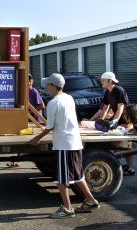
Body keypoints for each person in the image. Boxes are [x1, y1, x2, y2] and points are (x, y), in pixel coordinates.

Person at [29, 73, 99, 219]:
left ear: (54, 86)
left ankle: (67, 209)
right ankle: (91, 200)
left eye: (48, 84)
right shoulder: (69, 98)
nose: (46, 87)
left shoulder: (54, 103)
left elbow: (49, 126)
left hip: (64, 144)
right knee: (79, 175)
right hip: (75, 142)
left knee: (61, 179)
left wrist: (36, 139)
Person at [89, 72, 137, 175]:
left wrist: (115, 121)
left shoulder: (119, 90)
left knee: (125, 144)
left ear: (110, 81)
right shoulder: (108, 92)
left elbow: (121, 108)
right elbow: (104, 108)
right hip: (117, 121)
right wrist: (98, 120)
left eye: (103, 80)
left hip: (125, 120)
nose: (101, 81)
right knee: (122, 145)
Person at [7, 74, 45, 167]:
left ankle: (39, 163)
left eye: (30, 81)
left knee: (36, 143)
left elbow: (42, 106)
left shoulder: (34, 92)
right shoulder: (23, 92)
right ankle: (16, 161)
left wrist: (30, 112)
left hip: (36, 121)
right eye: (27, 81)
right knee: (20, 140)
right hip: (26, 120)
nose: (29, 82)